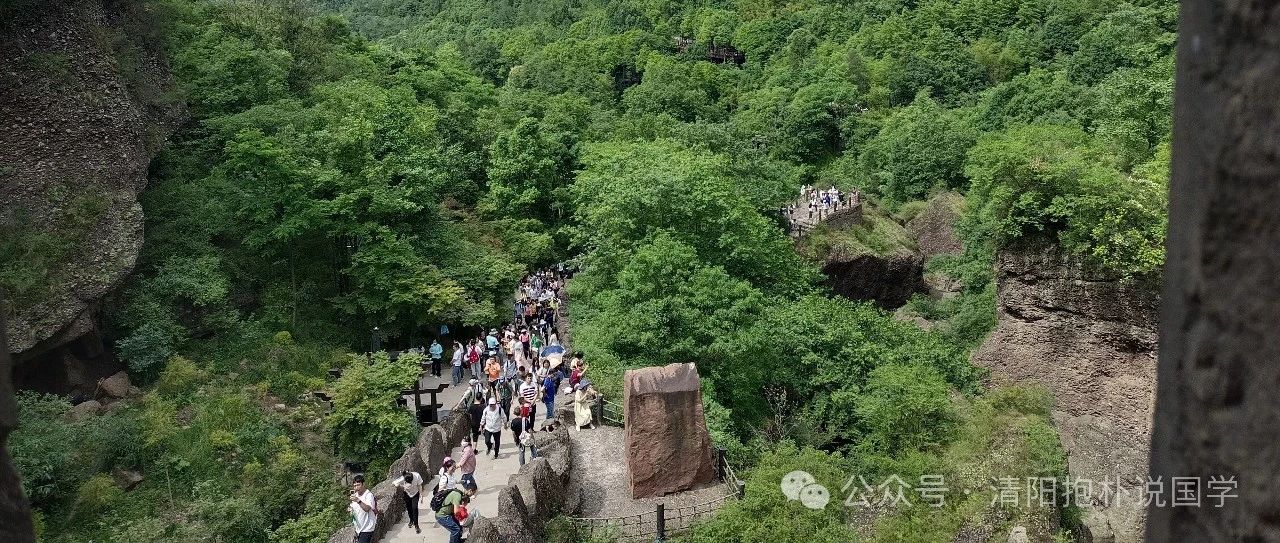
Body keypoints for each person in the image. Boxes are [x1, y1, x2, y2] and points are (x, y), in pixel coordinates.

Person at [348, 474, 376, 543]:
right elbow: (354, 508)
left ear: (363, 484)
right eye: (355, 486)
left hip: (367, 528)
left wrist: (358, 500)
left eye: (358, 485)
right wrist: (350, 509)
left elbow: (367, 508)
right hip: (358, 528)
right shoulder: (355, 495)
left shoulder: (368, 495)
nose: (356, 488)